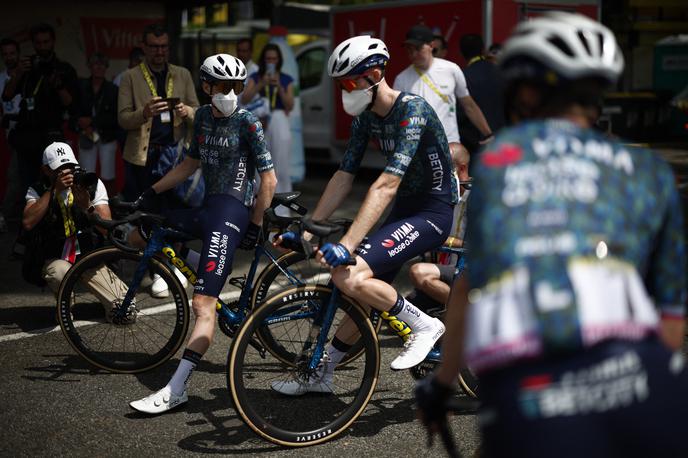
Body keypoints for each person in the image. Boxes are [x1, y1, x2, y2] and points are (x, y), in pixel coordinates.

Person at [415, 12, 688, 458]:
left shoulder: (502, 162)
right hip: (652, 389)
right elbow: (672, 317)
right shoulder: (650, 171)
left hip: (537, 395)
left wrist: (443, 384)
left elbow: (469, 285)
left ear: (523, 92)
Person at [271, 35, 456, 396]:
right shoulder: (366, 119)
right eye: (340, 85)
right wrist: (307, 234)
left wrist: (348, 243)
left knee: (349, 274)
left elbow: (386, 184)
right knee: (357, 289)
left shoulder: (412, 111)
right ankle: (322, 375)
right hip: (406, 208)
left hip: (434, 210)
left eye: (349, 82)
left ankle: (425, 326)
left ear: (373, 75)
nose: (345, 91)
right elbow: (343, 177)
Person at [129, 53, 277, 415]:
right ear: (206, 87)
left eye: (237, 86)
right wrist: (151, 192)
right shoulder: (203, 119)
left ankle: (176, 389)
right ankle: (208, 269)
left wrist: (256, 225)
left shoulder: (248, 123)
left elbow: (268, 179)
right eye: (224, 86)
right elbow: (190, 165)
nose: (231, 92)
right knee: (148, 231)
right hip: (209, 208)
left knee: (202, 305)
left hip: (232, 212)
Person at [21, 142, 126, 316]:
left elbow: (107, 229)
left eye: (70, 166)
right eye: (60, 169)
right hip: (57, 257)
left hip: (89, 256)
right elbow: (28, 222)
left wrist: (87, 207)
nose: (67, 173)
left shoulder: (90, 184)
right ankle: (65, 301)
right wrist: (53, 190)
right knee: (58, 272)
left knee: (126, 309)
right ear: (47, 170)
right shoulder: (38, 190)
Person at [117, 23, 199, 203]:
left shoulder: (182, 74)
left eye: (164, 46)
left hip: (175, 155)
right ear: (144, 47)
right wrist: (144, 113)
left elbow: (198, 113)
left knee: (173, 209)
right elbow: (122, 119)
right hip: (142, 157)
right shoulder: (130, 76)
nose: (159, 51)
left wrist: (187, 111)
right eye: (154, 46)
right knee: (143, 209)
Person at [393, 25, 493, 166]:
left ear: (431, 46)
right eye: (409, 50)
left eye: (418, 48)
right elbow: (397, 118)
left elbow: (469, 105)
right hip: (418, 151)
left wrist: (488, 134)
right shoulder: (401, 80)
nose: (413, 54)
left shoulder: (451, 70)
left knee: (456, 186)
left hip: (450, 147)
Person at [2, 23, 78, 197]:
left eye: (46, 42)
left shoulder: (64, 69)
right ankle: (23, 222)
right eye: (38, 43)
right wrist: (19, 73)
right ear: (33, 44)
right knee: (23, 187)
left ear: (53, 42)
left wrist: (58, 84)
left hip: (52, 138)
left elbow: (71, 104)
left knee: (55, 185)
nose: (42, 46)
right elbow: (7, 95)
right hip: (27, 137)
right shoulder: (27, 67)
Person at [408, 147, 470, 307]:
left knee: (419, 272)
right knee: (401, 313)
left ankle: (466, 314)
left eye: (444, 168)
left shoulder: (479, 196)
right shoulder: (441, 195)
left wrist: (439, 239)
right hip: (445, 268)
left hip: (468, 271)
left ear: (462, 168)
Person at [240, 43, 294, 196]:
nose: (271, 62)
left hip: (278, 117)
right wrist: (261, 84)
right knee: (261, 164)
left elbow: (290, 105)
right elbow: (245, 98)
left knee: (281, 163)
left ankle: (283, 206)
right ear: (263, 60)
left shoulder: (285, 78)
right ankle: (260, 206)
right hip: (260, 119)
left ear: (279, 60)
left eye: (274, 59)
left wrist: (280, 88)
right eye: (268, 59)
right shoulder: (256, 77)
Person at [76, 52, 119, 196]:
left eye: (102, 64)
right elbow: (74, 110)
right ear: (89, 66)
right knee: (86, 174)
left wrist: (93, 121)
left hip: (107, 136)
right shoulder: (81, 86)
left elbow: (116, 117)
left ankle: (109, 205)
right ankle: (86, 207)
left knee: (108, 175)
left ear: (106, 67)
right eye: (95, 64)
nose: (99, 67)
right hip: (86, 134)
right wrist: (83, 124)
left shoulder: (113, 89)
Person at [457, 33, 505, 156]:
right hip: (503, 139)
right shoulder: (501, 72)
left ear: (461, 53)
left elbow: (461, 113)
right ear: (483, 50)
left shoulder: (463, 76)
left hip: (476, 144)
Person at [0, 37, 23, 231]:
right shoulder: (0, 79)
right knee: (13, 178)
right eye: (5, 54)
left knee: (20, 178)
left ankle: (12, 217)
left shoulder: (27, 75)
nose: (9, 57)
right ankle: (8, 217)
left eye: (12, 53)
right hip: (7, 136)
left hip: (27, 135)